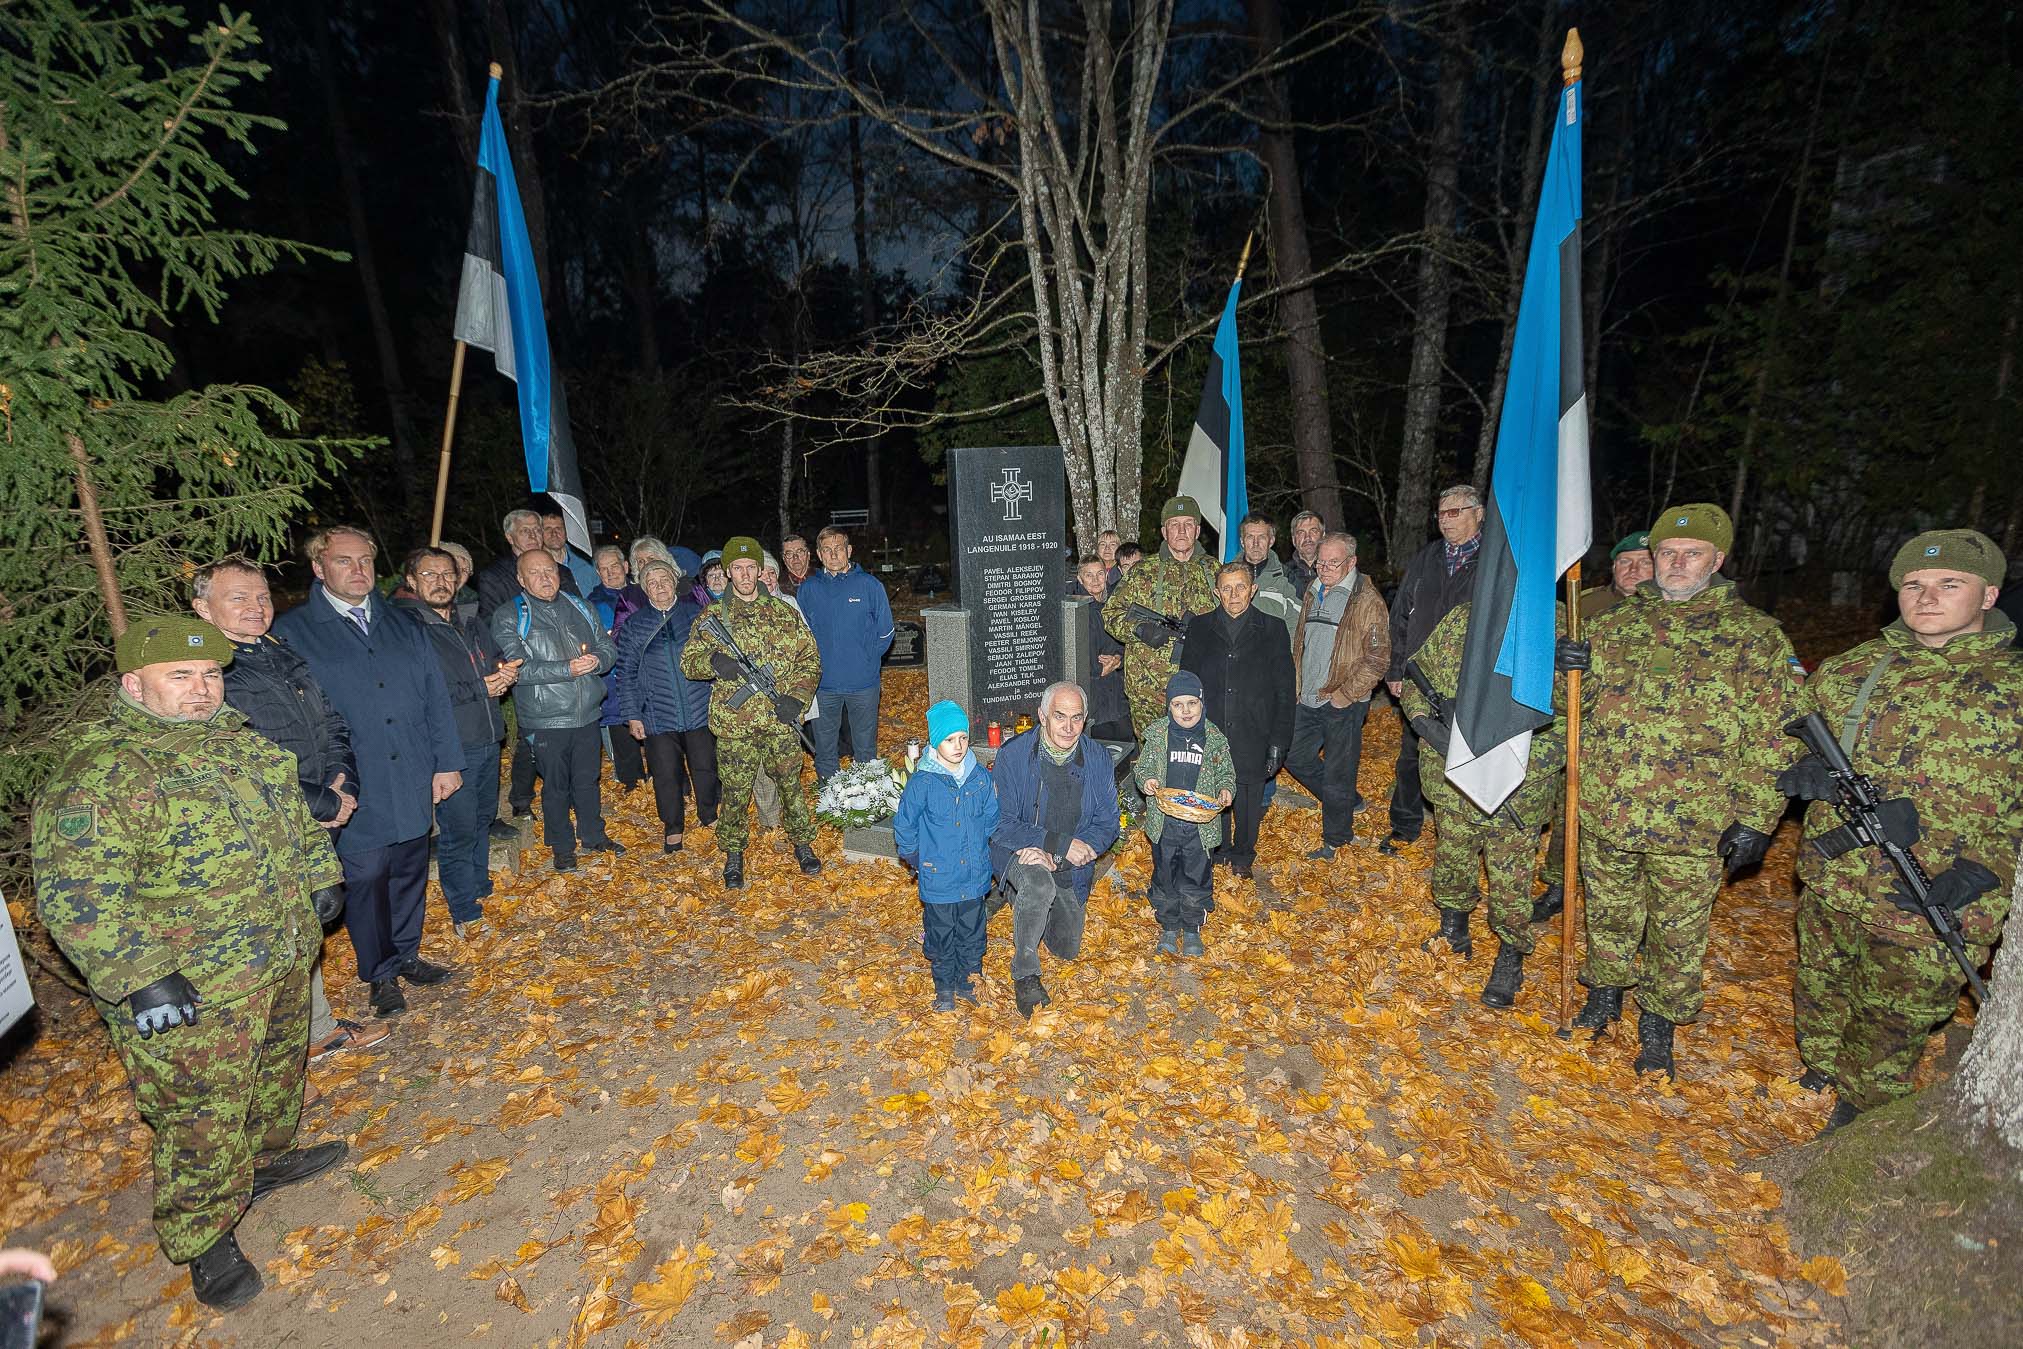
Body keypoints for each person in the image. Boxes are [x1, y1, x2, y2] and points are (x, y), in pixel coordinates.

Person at [33, 617, 350, 1310]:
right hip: (190, 984)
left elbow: (294, 819)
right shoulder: (108, 769)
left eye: (209, 675)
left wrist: (320, 871)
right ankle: (204, 1235)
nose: (201, 690)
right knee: (199, 1113)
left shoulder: (236, 741)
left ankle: (264, 1160)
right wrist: (139, 973)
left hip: (275, 954)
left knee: (274, 1072)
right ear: (132, 683)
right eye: (181, 676)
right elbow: (77, 891)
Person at [1786, 529, 2023, 1131]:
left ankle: (1861, 1109)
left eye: (1950, 584)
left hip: (1939, 888)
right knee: (1822, 983)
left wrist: (1984, 868)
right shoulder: (1852, 670)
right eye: (1913, 585)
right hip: (1837, 876)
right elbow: (1779, 740)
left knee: (1897, 1011)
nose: (1927, 596)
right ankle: (1821, 1064)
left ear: (1989, 594)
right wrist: (1804, 772)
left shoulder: (2013, 689)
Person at [1556, 503, 1799, 1078]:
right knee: (1610, 911)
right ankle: (1605, 992)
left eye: (1692, 554)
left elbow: (1776, 734)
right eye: (1668, 553)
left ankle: (1660, 1020)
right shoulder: (1613, 626)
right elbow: (1574, 714)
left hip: (1696, 820)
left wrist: (1758, 817)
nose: (1677, 563)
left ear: (1717, 560)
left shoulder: (1754, 638)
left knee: (1678, 926)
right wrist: (1566, 671)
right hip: (1609, 805)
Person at [189, 557, 385, 1062]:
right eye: (238, 598)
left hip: (321, 806)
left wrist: (344, 783)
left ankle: (314, 1028)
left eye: (261, 597)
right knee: (281, 930)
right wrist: (322, 801)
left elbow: (330, 721)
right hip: (270, 822)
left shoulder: (278, 652)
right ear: (202, 609)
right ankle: (292, 1039)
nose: (256, 609)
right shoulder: (206, 673)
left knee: (307, 922)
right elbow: (235, 757)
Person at [274, 526, 463, 1019]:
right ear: (319, 568)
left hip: (411, 766)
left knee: (409, 868)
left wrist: (446, 762)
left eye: (364, 561)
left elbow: (435, 697)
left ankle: (406, 952)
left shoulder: (403, 624)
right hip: (351, 778)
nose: (358, 571)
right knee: (366, 873)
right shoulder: (294, 633)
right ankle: (379, 973)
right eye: (344, 561)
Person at [1402, 602, 1565, 1008]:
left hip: (1517, 788)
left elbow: (1579, 715)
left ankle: (1511, 954)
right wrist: (1426, 725)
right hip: (1455, 779)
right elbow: (1417, 677)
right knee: (1452, 859)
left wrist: (1518, 760)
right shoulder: (1463, 617)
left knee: (1510, 882)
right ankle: (1453, 929)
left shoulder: (1554, 623)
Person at [681, 536, 824, 888]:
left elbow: (810, 660)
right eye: (738, 568)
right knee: (734, 792)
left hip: (779, 722)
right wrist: (714, 661)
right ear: (728, 573)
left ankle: (803, 844)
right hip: (735, 726)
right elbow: (688, 662)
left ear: (760, 571)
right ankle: (733, 855)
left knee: (791, 786)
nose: (745, 575)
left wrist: (796, 698)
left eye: (751, 568)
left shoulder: (783, 612)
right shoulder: (713, 616)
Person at [392, 547, 517, 938]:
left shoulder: (469, 619)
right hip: (449, 746)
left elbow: (494, 658)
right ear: (412, 581)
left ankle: (479, 885)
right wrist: (480, 687)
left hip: (486, 735)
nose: (441, 582)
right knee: (457, 830)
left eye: (447, 574)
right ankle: (464, 910)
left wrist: (503, 674)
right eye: (429, 575)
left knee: (482, 818)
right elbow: (419, 691)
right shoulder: (408, 629)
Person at [987, 682, 1121, 1018]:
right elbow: (1002, 824)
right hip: (1023, 848)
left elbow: (1107, 824)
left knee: (1066, 947)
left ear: (1085, 719)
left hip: (1066, 860)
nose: (1068, 727)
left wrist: (1062, 856)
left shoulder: (1097, 758)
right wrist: (1054, 845)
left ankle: (1016, 899)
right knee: (1038, 885)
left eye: (1076, 718)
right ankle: (1026, 973)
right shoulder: (1014, 755)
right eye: (1059, 717)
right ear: (1043, 716)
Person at [490, 549, 620, 873]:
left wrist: (598, 661)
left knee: (588, 779)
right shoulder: (510, 615)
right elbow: (517, 668)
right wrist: (568, 669)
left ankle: (593, 835)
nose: (545, 578)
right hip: (546, 717)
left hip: (588, 711)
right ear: (521, 579)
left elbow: (607, 646)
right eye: (535, 573)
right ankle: (562, 847)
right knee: (556, 785)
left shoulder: (580, 605)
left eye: (549, 570)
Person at [1381, 486, 1485, 855]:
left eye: (1455, 512)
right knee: (1412, 754)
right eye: (1441, 513)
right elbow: (1400, 617)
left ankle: (1466, 831)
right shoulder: (1427, 559)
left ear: (1479, 514)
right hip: (1422, 679)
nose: (1446, 519)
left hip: (1474, 681)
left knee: (1471, 752)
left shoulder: (1495, 561)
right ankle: (1405, 825)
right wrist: (1395, 669)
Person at [1181, 561, 1295, 878]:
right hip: (1211, 731)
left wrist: (1278, 744)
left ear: (1253, 590)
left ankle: (1243, 854)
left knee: (1247, 798)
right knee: (1214, 794)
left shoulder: (1273, 629)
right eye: (1227, 588)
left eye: (1241, 586)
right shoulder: (1200, 628)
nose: (1234, 594)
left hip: (1254, 732)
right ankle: (1219, 850)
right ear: (1217, 592)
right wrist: (1185, 732)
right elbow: (1186, 684)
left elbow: (1285, 691)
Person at [893, 700, 1002, 1011]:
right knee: (941, 933)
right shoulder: (924, 782)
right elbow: (905, 824)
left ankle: (970, 979)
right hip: (939, 876)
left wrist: (982, 846)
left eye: (963, 738)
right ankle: (944, 985)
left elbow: (992, 816)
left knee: (973, 930)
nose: (958, 746)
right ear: (935, 742)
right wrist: (915, 857)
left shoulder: (980, 777)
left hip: (974, 875)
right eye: (949, 739)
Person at [1287, 533, 1390, 858]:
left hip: (1343, 701)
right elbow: (1303, 641)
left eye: (1334, 562)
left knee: (1337, 771)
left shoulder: (1366, 601)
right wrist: (1297, 683)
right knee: (1294, 756)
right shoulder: (1313, 590)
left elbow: (1378, 658)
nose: (1326, 568)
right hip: (1309, 698)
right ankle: (1344, 799)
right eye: (1321, 562)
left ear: (1351, 562)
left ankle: (1336, 840)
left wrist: (1345, 694)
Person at [615, 558, 719, 853]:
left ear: (675, 582)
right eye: (652, 582)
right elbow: (626, 673)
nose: (659, 587)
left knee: (706, 767)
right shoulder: (635, 625)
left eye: (664, 580)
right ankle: (673, 825)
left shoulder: (695, 615)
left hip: (698, 708)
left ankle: (709, 814)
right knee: (665, 774)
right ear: (644, 589)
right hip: (657, 714)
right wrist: (632, 714)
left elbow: (716, 655)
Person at [1103, 497, 1218, 739]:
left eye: (1188, 524)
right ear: (1164, 531)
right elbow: (1111, 613)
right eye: (1174, 524)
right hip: (1148, 691)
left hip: (1199, 690)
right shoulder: (1143, 571)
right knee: (1152, 768)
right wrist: (1139, 629)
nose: (1182, 530)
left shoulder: (1214, 571)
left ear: (1198, 530)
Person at [1137, 671, 1236, 955]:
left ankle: (1192, 928)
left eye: (1192, 703)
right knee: (1166, 873)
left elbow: (1226, 773)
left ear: (1202, 703)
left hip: (1199, 826)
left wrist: (1226, 790)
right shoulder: (1158, 736)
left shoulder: (1214, 738)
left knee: (1196, 875)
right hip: (1165, 822)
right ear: (1168, 707)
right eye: (1178, 704)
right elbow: (1142, 768)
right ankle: (1169, 926)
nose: (1186, 711)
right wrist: (1147, 781)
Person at [798, 526, 895, 781]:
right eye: (827, 550)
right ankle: (830, 799)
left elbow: (886, 632)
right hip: (823, 685)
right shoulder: (808, 589)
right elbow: (802, 636)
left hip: (863, 684)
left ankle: (867, 797)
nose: (833, 554)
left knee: (864, 748)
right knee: (825, 749)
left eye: (838, 548)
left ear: (849, 551)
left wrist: (867, 658)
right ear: (819, 554)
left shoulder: (869, 585)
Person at [588, 544, 648, 793]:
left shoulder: (643, 592)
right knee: (622, 732)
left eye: (615, 566)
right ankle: (631, 783)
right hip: (615, 678)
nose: (611, 572)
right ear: (598, 574)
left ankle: (657, 777)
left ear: (626, 566)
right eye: (604, 569)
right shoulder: (593, 603)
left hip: (648, 674)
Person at [477, 507, 575, 621]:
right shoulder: (494, 577)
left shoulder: (562, 571)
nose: (532, 536)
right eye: (525, 531)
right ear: (510, 538)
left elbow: (577, 610)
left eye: (537, 530)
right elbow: (492, 622)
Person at [1074, 558, 1132, 742]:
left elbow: (1125, 641)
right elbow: (1073, 655)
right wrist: (1098, 670)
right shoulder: (1076, 611)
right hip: (1094, 702)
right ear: (1080, 579)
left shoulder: (1114, 607)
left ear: (1106, 575)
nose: (1095, 580)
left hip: (1118, 699)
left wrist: (1118, 659)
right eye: (1089, 575)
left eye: (1099, 574)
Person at [1236, 514, 1300, 637]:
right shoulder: (1226, 576)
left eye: (1262, 537)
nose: (1255, 543)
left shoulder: (1287, 578)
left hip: (1274, 655)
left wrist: (1287, 654)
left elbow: (1297, 624)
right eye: (1250, 537)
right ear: (1242, 542)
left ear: (1271, 541)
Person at [1581, 531, 1654, 622]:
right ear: (1614, 567)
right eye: (1625, 561)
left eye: (1645, 563)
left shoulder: (1669, 604)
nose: (1633, 569)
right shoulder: (1584, 604)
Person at [542, 506, 600, 597]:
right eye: (548, 529)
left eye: (559, 528)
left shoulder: (586, 562)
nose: (554, 533)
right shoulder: (534, 567)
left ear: (566, 532)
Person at [438, 541, 482, 624]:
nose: (459, 574)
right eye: (455, 566)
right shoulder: (416, 603)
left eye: (465, 570)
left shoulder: (471, 603)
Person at [1285, 510, 1325, 599]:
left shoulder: (1338, 570)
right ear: (1293, 540)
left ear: (1323, 536)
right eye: (1301, 532)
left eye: (1313, 531)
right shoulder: (1283, 575)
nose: (1307, 537)